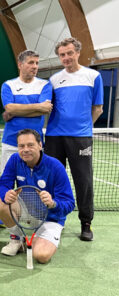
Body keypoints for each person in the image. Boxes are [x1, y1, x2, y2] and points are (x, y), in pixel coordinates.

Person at [45, 37, 104, 241]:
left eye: (70, 53)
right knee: (52, 180)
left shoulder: (93, 76)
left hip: (81, 138)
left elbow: (97, 109)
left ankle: (86, 223)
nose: (66, 57)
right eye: (62, 54)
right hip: (53, 138)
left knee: (84, 181)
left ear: (78, 52)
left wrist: (83, 127)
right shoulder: (53, 80)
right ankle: (53, 219)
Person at [0, 129, 75, 262]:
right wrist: (6, 194)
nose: (25, 149)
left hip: (51, 218)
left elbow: (69, 203)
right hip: (26, 210)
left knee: (41, 256)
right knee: (1, 202)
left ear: (40, 145)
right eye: (21, 146)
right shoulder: (15, 160)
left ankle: (45, 236)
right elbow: (2, 184)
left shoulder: (55, 167)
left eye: (30, 145)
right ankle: (17, 239)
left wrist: (53, 203)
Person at [0, 50, 53, 173]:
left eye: (36, 63)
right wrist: (38, 106)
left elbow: (44, 110)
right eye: (31, 62)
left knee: (34, 181)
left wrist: (15, 110)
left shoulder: (45, 85)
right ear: (20, 65)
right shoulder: (8, 85)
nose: (35, 66)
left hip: (35, 144)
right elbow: (9, 108)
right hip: (11, 142)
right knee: (6, 181)